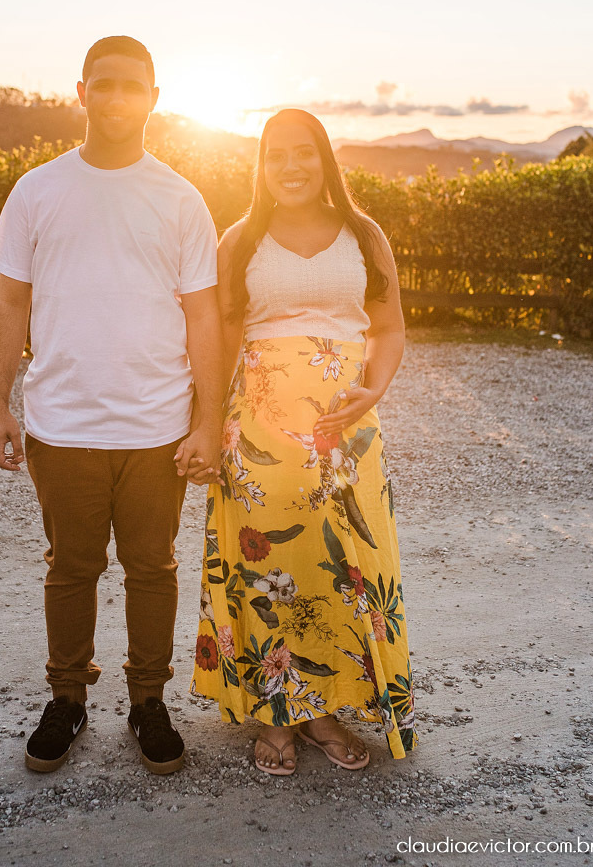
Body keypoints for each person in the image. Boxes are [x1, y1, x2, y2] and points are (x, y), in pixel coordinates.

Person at [0, 35, 223, 776]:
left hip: (156, 425)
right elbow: (9, 299)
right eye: (105, 84)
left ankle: (148, 701)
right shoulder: (37, 189)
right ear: (81, 92)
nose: (118, 97)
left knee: (152, 568)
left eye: (133, 86)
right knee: (72, 567)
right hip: (62, 421)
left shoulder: (180, 198)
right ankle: (67, 698)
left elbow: (204, 316)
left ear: (153, 97)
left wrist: (208, 420)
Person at [191, 108, 416, 774]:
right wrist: (205, 425)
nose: (289, 166)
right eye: (274, 155)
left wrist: (371, 391)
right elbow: (219, 340)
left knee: (344, 571)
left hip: (346, 435)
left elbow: (390, 328)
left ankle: (325, 709)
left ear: (324, 160)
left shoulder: (362, 232)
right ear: (259, 167)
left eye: (303, 153)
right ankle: (277, 714)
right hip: (260, 436)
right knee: (269, 573)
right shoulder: (241, 239)